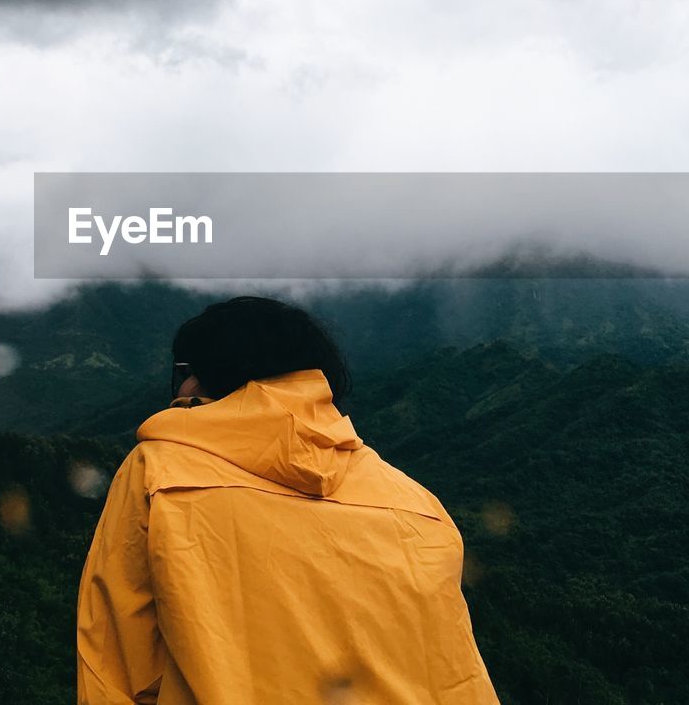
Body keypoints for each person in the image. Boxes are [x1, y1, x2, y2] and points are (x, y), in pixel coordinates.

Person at [76, 296, 500, 704]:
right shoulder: (419, 505)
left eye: (180, 372)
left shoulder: (159, 470)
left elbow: (117, 670)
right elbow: (457, 679)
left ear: (203, 376)